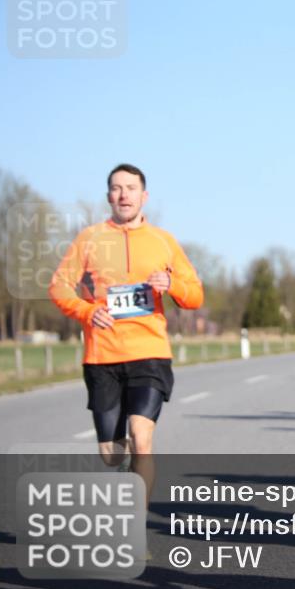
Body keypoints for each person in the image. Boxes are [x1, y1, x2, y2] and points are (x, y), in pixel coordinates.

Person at [49, 163, 204, 509]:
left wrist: (172, 284)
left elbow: (195, 295)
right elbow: (58, 287)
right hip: (102, 356)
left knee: (141, 438)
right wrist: (87, 311)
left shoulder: (163, 241)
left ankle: (135, 521)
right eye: (117, 188)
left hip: (149, 353)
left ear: (143, 196)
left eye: (131, 188)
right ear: (109, 196)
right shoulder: (89, 239)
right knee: (111, 454)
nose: (124, 195)